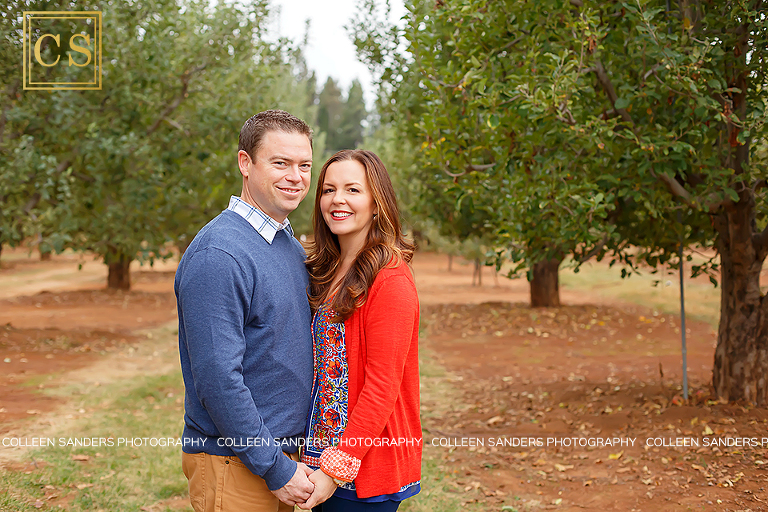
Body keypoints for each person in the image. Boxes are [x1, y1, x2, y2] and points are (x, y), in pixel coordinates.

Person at [175, 110, 316, 511]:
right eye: (280, 163)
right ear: (245, 163)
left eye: (304, 165)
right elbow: (218, 380)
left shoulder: (287, 245)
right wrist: (273, 467)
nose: (296, 176)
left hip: (282, 459)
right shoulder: (219, 253)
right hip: (235, 462)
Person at [298, 150, 422, 511]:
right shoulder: (329, 270)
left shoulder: (391, 279)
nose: (337, 200)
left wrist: (336, 469)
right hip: (319, 457)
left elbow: (383, 386)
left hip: (360, 464)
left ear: (376, 203)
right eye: (328, 190)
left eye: (353, 190)